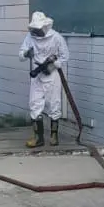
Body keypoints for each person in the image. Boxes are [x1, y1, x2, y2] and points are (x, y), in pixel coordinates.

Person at [19, 10, 69, 148]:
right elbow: (20, 54)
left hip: (53, 76)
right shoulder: (30, 37)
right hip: (37, 74)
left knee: (54, 104)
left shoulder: (56, 37)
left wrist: (53, 65)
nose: (36, 32)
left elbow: (65, 56)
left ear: (45, 26)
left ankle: (54, 136)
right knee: (34, 104)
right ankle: (38, 138)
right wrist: (26, 54)